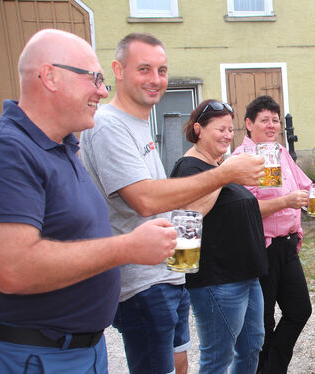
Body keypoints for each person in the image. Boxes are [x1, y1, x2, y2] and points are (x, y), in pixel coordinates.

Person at [0, 29, 178, 373]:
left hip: (80, 351)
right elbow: (12, 269)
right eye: (93, 78)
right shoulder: (7, 149)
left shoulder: (63, 148)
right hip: (34, 356)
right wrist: (128, 247)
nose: (101, 91)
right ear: (49, 76)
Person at [79, 34, 264, 374]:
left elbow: (174, 208)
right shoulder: (108, 125)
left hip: (170, 274)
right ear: (117, 70)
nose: (156, 79)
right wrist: (226, 174)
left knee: (183, 364)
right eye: (144, 69)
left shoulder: (138, 124)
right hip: (142, 282)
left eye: (162, 70)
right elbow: (145, 199)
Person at [231, 95, 315, 374]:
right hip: (259, 250)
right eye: (264, 119)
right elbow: (245, 211)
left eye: (275, 120)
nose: (271, 125)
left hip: (287, 247)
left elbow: (308, 188)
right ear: (248, 124)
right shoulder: (240, 160)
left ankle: (270, 368)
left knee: (300, 310)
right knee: (262, 324)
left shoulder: (280, 153)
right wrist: (285, 202)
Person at [169, 99, 267, 374]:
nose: (227, 135)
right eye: (220, 129)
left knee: (251, 348)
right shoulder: (189, 167)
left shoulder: (219, 166)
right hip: (217, 281)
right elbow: (189, 215)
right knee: (217, 359)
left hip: (247, 276)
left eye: (230, 130)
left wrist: (225, 171)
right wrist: (225, 174)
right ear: (198, 129)